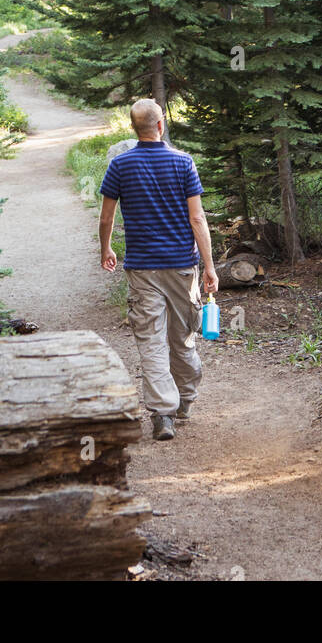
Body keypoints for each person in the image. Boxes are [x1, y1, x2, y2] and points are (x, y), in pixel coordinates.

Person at [98, 98, 218, 440]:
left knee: (151, 340)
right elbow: (197, 218)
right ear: (161, 125)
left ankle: (163, 414)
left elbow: (107, 216)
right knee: (183, 339)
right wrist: (209, 267)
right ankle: (185, 402)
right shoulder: (184, 163)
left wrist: (106, 247)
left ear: (134, 128)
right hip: (182, 267)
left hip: (142, 269)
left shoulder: (120, 165)